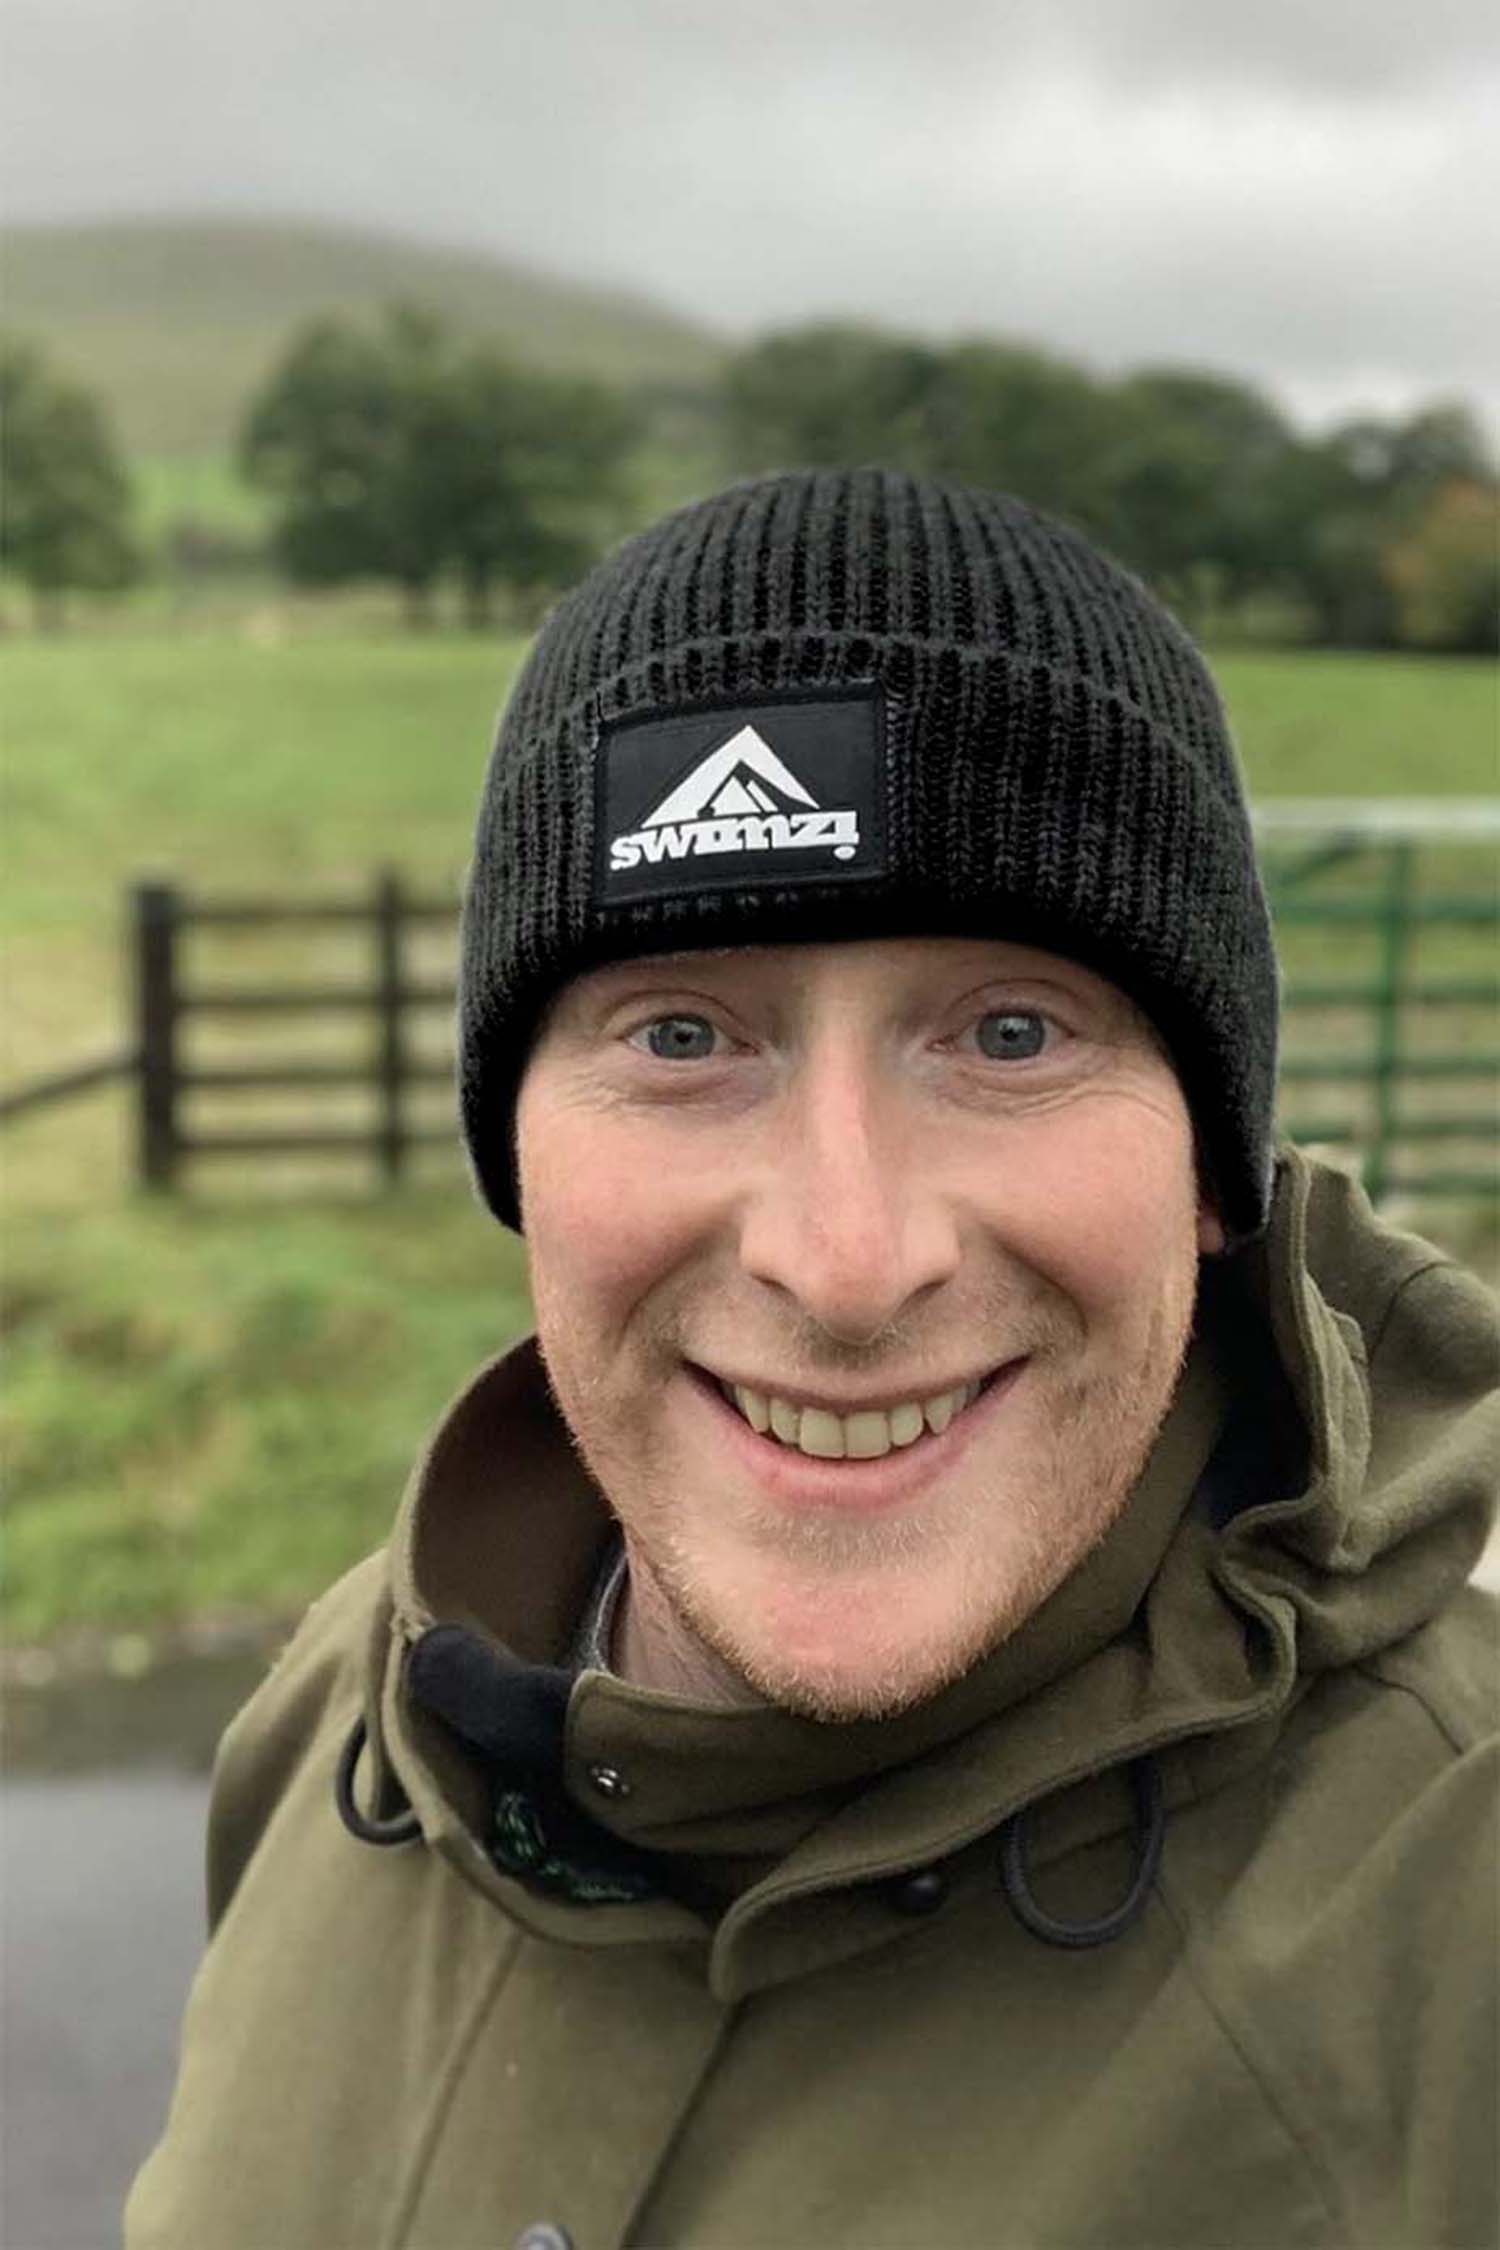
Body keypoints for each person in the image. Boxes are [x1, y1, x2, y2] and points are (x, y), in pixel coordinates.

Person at [128, 468, 1497, 2250]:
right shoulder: (341, 1722)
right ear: (519, 1155)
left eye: (1014, 1033)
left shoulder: (1456, 1936)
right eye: (682, 1036)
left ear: (1210, 1174)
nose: (846, 1263)